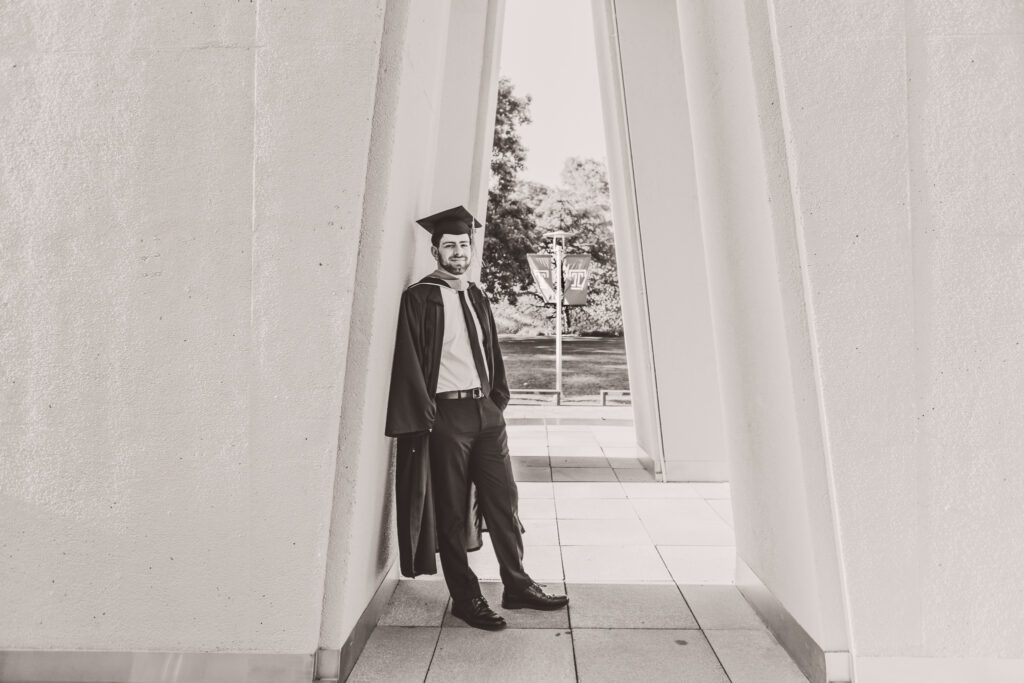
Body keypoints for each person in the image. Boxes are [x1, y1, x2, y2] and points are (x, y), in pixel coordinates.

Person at [385, 205, 568, 630]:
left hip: (485, 413)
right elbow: (409, 364)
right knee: (451, 512)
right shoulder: (420, 298)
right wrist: (424, 418)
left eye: (464, 244)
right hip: (446, 416)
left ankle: (517, 585)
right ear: (435, 250)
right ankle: (466, 598)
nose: (459, 252)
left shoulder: (478, 294)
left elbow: (491, 353)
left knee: (503, 502)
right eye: (450, 245)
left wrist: (496, 400)